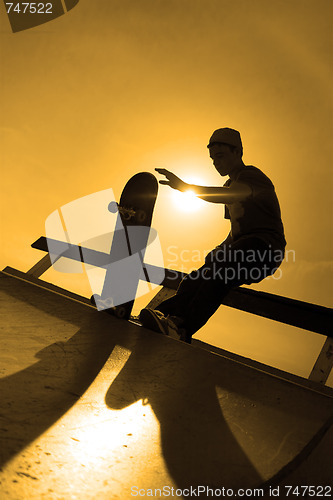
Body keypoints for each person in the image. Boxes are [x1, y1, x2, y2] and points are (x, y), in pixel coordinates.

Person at [139, 128, 286, 343]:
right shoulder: (229, 183)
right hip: (244, 248)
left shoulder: (252, 176)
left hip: (265, 249)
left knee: (221, 269)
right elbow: (236, 230)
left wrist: (185, 187)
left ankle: (182, 327)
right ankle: (164, 316)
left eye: (220, 156)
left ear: (238, 152)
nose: (216, 163)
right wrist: (219, 250)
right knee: (197, 278)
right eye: (212, 159)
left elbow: (228, 196)